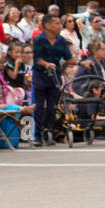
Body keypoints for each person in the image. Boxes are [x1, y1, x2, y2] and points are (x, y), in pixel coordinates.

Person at [31, 13, 73, 145]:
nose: (60, 25)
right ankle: (38, 135)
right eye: (56, 23)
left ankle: (48, 132)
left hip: (55, 76)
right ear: (47, 25)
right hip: (40, 76)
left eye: (60, 23)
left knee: (52, 106)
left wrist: (82, 62)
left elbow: (68, 57)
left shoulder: (61, 40)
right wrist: (47, 64)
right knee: (39, 106)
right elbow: (37, 59)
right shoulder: (39, 39)